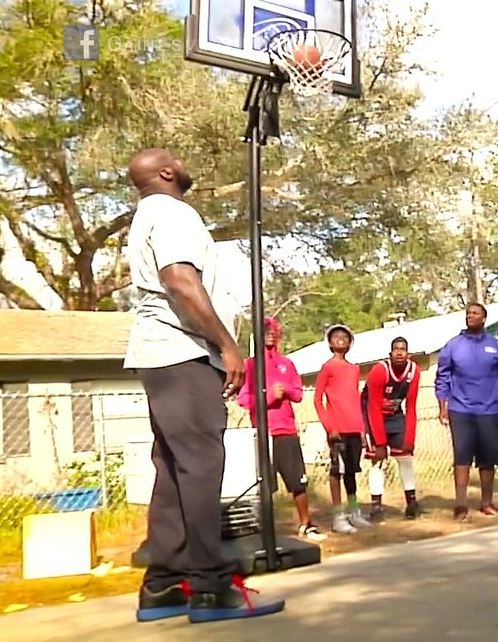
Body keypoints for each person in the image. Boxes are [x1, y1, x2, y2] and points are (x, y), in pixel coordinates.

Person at [123, 148, 283, 623]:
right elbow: (180, 281)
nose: (184, 161)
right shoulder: (173, 212)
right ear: (167, 173)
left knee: (174, 470)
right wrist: (228, 346)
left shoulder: (145, 216)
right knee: (200, 465)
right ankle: (211, 586)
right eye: (176, 158)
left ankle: (164, 584)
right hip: (183, 352)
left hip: (160, 356)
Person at [237, 317, 325, 542]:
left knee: (298, 481)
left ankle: (306, 524)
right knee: (264, 484)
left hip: (286, 430)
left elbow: (298, 393)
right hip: (263, 433)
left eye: (273, 330)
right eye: (265, 330)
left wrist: (284, 390)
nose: (269, 334)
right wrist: (267, 397)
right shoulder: (249, 365)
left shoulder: (287, 364)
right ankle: (265, 531)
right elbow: (243, 399)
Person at [435, 303, 498, 521]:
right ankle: (460, 505)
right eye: (468, 313)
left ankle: (487, 502)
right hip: (460, 410)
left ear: (484, 318)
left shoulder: (496, 347)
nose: (470, 316)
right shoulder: (453, 346)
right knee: (462, 457)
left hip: (489, 410)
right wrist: (443, 407)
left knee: (487, 459)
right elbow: (442, 377)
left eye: (475, 313)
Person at [313, 325, 372, 534]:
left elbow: (355, 400)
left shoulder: (354, 369)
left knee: (352, 471)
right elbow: (318, 399)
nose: (341, 339)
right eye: (336, 337)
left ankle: (354, 511)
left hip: (354, 428)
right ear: (330, 343)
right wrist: (330, 427)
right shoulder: (327, 367)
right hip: (337, 429)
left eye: (345, 337)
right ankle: (338, 516)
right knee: (337, 471)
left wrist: (362, 430)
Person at [362, 337, 421, 521]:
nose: (399, 352)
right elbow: (372, 407)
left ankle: (411, 503)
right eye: (396, 349)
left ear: (408, 353)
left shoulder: (413, 372)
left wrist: (410, 438)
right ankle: (376, 506)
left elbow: (411, 406)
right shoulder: (379, 371)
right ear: (390, 354)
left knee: (405, 458)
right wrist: (379, 442)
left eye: (403, 349)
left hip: (395, 415)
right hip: (373, 414)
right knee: (377, 461)